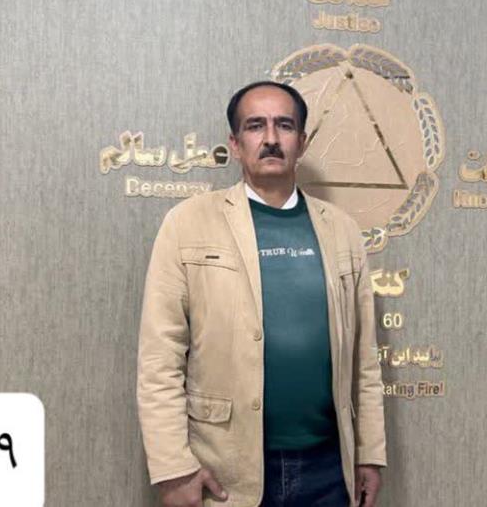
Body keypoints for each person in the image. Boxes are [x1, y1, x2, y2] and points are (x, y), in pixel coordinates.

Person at [137, 81, 386, 507]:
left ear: (301, 142)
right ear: (235, 144)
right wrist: (173, 468)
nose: (271, 138)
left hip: (329, 469)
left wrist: (370, 453)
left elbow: (364, 360)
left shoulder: (342, 230)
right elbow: (159, 359)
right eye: (255, 126)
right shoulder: (188, 223)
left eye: (284, 126)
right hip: (225, 469)